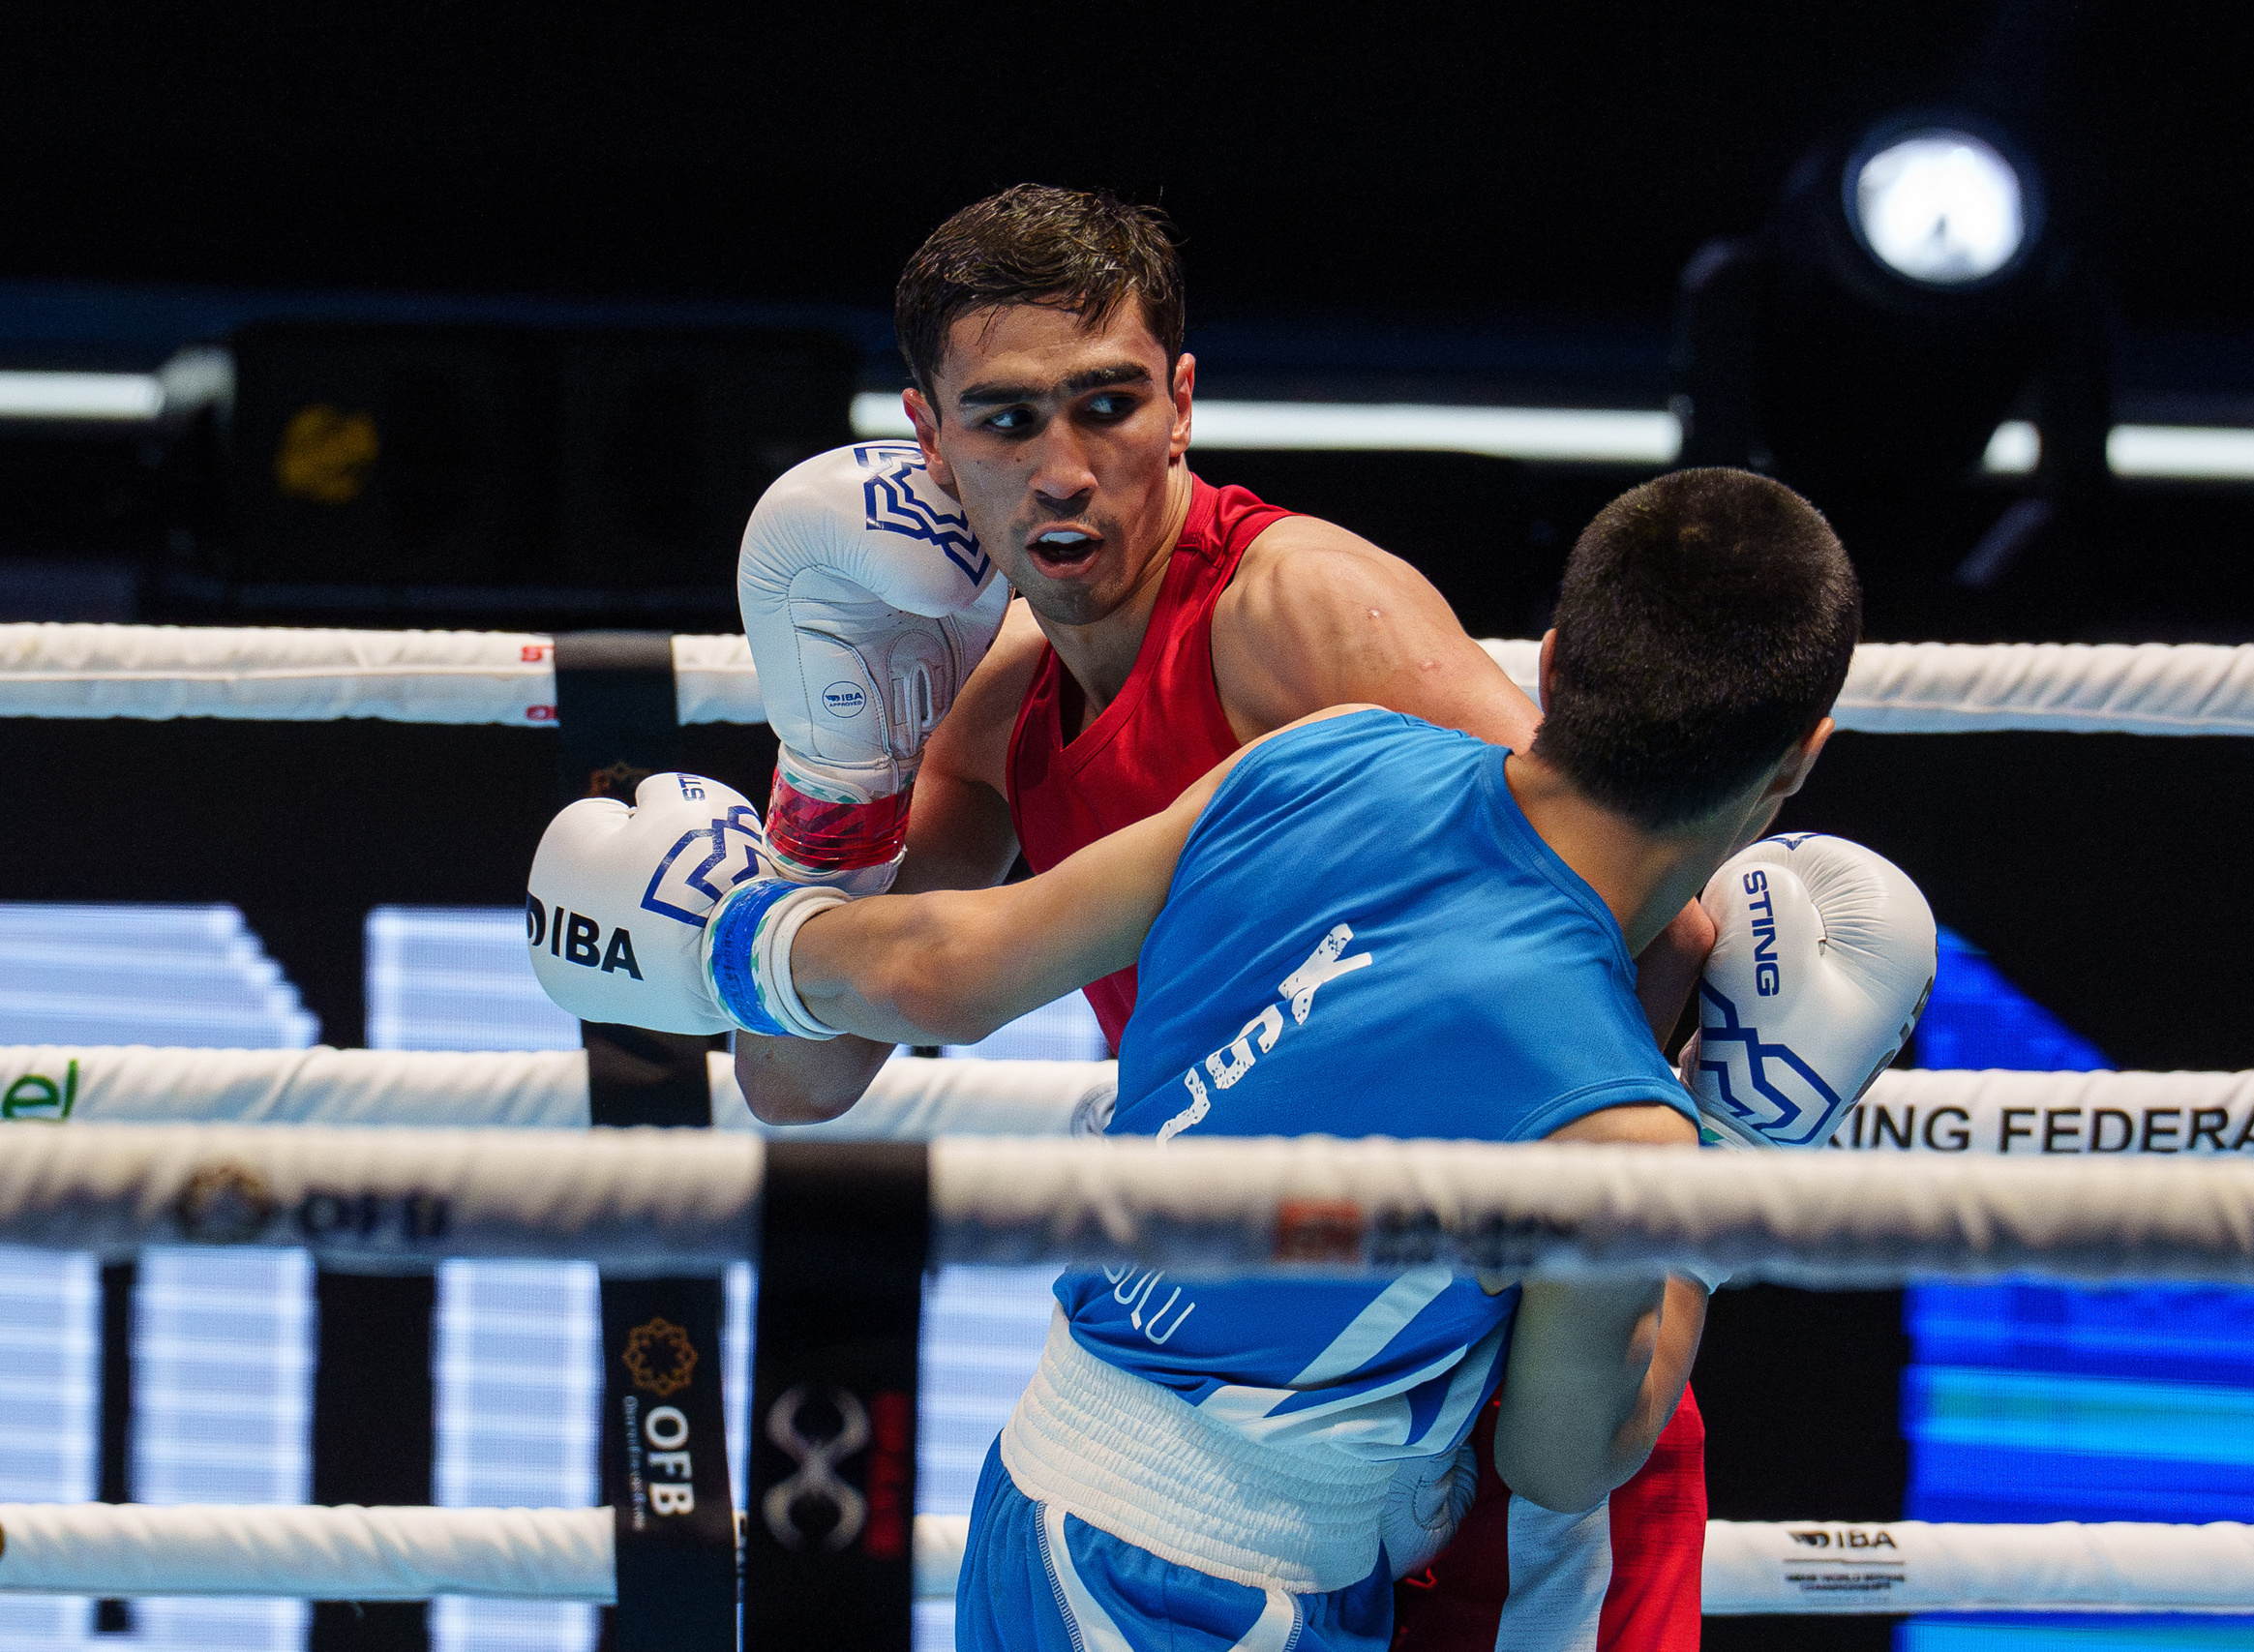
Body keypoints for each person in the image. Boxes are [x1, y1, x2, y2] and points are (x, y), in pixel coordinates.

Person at [525, 468, 1937, 1651]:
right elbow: (1563, 1456)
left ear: (1553, 659)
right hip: (1212, 1595)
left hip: (1039, 1505)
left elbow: (959, 967)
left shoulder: (1331, 754)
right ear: (1797, 762)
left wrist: (735, 938)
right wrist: (1734, 1166)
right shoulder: (1620, 1133)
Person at [728, 184, 1720, 1647]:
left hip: (1491, 1398)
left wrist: (1495, 1308)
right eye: (1005, 422)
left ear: (1182, 405)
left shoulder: (1298, 615)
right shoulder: (1001, 702)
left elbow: (1651, 919)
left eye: (1108, 404)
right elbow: (798, 1076)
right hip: (1262, 1435)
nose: (1064, 470)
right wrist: (834, 768)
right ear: (927, 445)